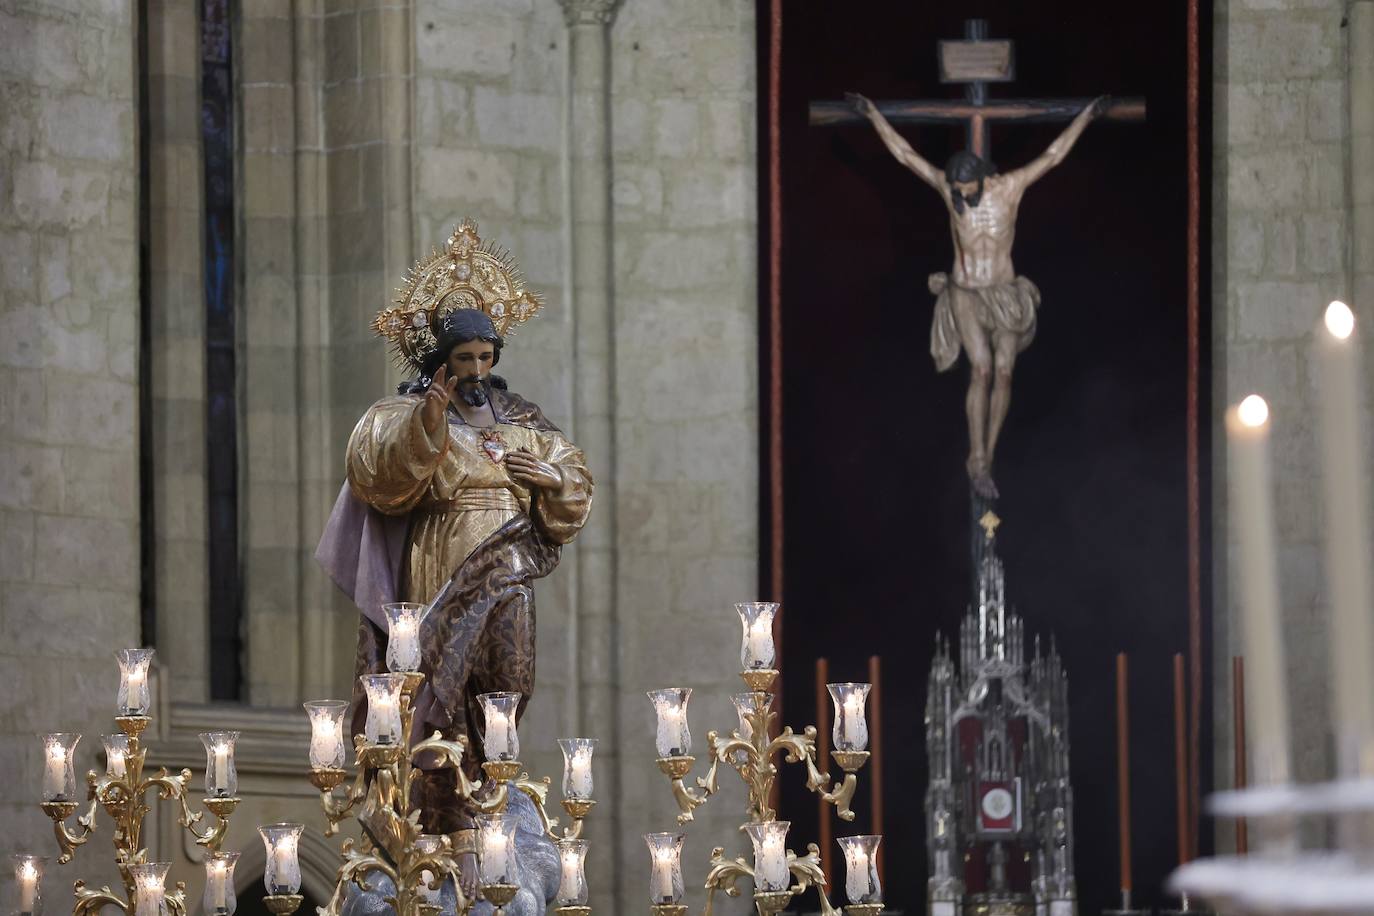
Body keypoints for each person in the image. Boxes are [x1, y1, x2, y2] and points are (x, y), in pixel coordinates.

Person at [316, 219, 593, 894]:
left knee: (508, 685)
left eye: (483, 358)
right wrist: (429, 422)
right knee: (438, 697)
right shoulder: (406, 410)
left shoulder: (520, 417)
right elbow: (377, 473)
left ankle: (492, 799)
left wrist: (550, 482)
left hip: (511, 571)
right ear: (438, 358)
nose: (474, 372)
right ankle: (447, 816)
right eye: (462, 359)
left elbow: (574, 479)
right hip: (440, 566)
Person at [848, 93, 1108, 498]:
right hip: (966, 290)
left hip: (1003, 291)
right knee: (982, 368)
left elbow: (1054, 155)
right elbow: (904, 155)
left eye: (966, 188)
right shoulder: (949, 192)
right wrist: (873, 115)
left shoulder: (1010, 188)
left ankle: (991, 451)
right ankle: (977, 459)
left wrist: (1088, 116)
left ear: (983, 178)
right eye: (956, 189)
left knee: (1005, 370)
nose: (960, 195)